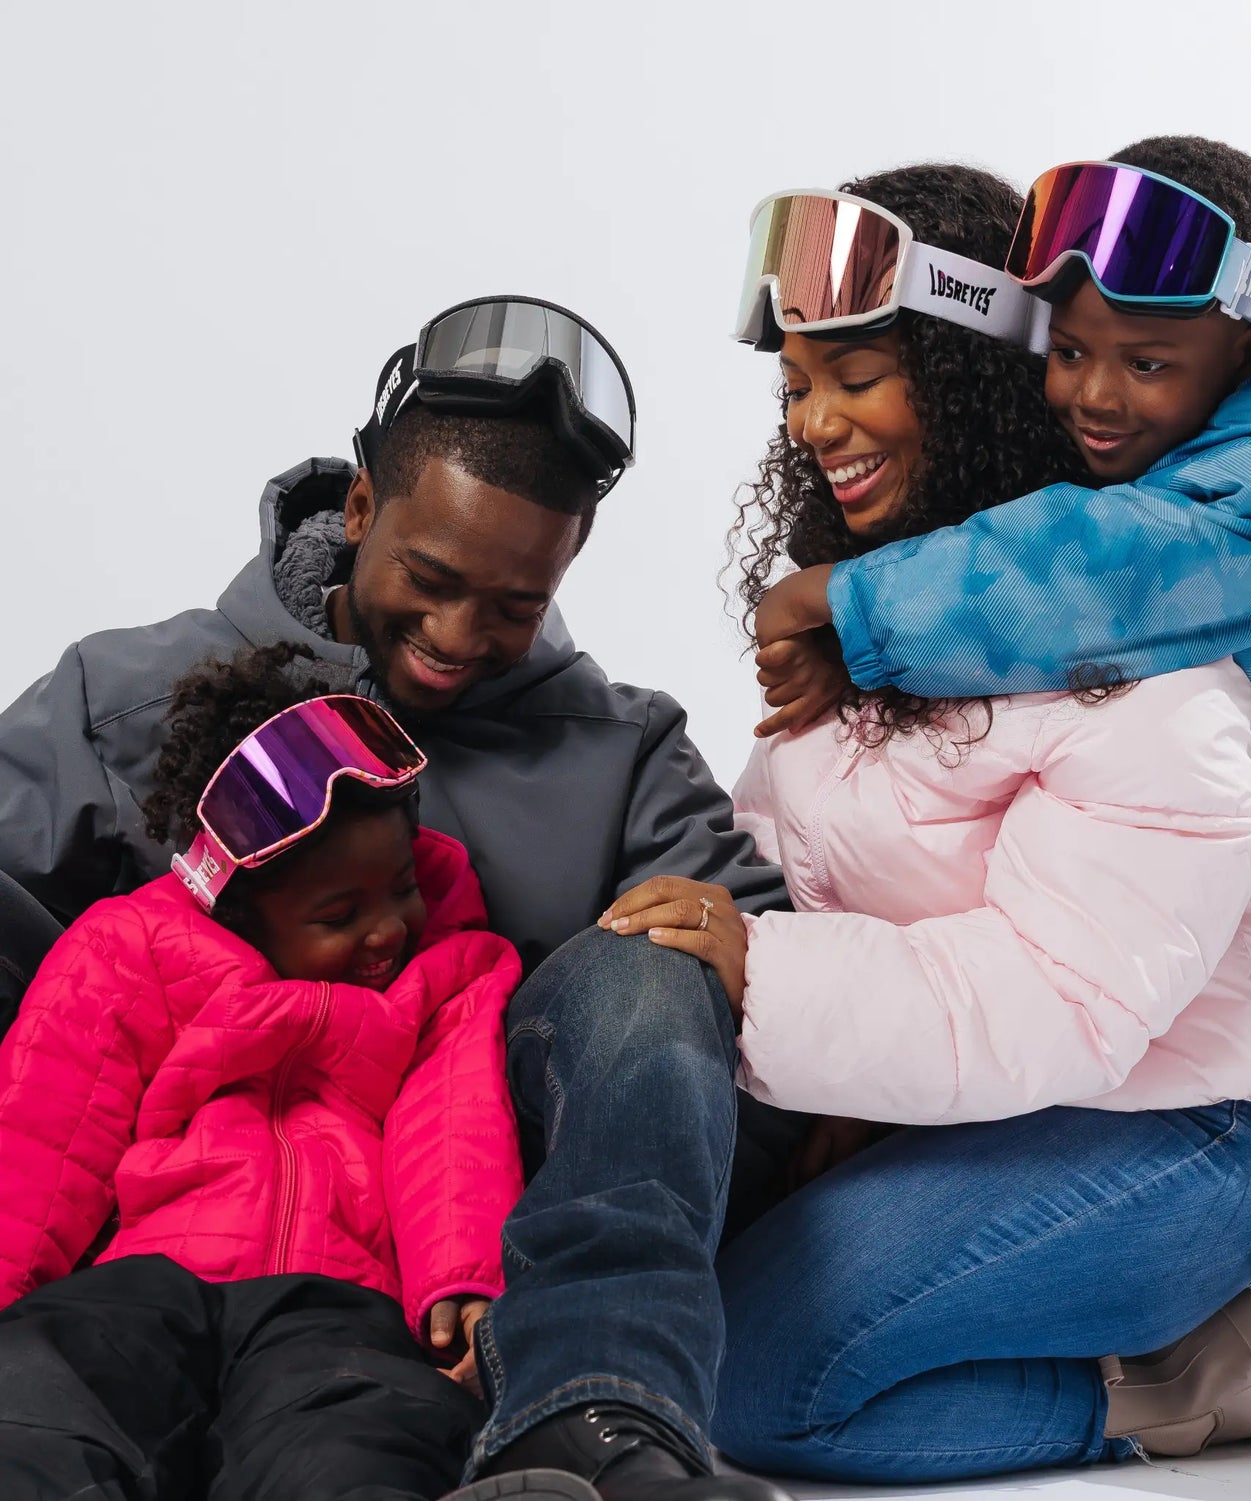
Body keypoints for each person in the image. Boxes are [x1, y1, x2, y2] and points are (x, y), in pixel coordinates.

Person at [751, 138, 1251, 1501]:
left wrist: (852, 610)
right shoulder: (1187, 458)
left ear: (1248, 335)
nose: (1097, 397)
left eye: (1145, 365)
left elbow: (1102, 573)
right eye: (1071, 354)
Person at [601, 163, 1251, 1484]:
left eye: (857, 375)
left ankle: (1167, 1381)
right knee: (654, 1332)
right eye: (797, 387)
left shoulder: (1144, 659)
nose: (818, 421)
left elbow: (1054, 991)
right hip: (972, 1106)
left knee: (748, 1385)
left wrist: (762, 976)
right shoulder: (867, 628)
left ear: (971, 367)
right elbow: (811, 872)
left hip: (1184, 1132)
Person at [0, 298, 790, 1501]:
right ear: (360, 506)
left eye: (516, 606)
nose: (461, 636)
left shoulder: (621, 752)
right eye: (432, 577)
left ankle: (587, 1415)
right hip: (148, 1238)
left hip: (435, 1249)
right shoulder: (136, 698)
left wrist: (739, 950)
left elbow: (747, 1012)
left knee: (660, 963)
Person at [0, 644, 525, 1500]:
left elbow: (454, 1129)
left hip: (335, 1303)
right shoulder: (132, 949)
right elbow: (38, 1141)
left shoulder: (447, 976)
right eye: (339, 914)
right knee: (37, 1405)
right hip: (144, 1285)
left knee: (361, 1433)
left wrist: (461, 1278)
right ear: (238, 903)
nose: (389, 928)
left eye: (399, 887)